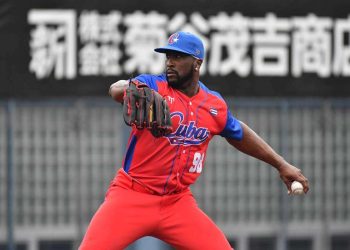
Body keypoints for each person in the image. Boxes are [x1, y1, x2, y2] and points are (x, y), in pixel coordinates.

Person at [79, 31, 309, 250]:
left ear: (197, 63)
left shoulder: (213, 105)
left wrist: (281, 164)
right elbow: (115, 89)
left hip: (177, 203)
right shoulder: (153, 86)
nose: (170, 62)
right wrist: (130, 88)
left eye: (178, 57)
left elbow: (238, 132)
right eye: (168, 56)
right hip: (132, 196)